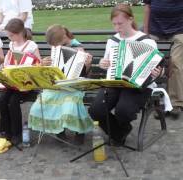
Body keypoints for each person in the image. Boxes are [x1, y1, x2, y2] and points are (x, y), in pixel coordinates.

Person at [88, 4, 162, 145]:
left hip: (137, 85)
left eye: (120, 23)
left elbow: (157, 67)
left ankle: (118, 132)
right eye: (114, 24)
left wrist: (157, 72)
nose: (117, 28)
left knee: (124, 111)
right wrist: (104, 64)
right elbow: (107, 64)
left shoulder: (146, 41)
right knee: (95, 110)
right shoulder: (113, 41)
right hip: (114, 83)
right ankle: (121, 132)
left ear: (130, 19)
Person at [28, 24, 93, 143]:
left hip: (74, 86)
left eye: (56, 45)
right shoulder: (56, 48)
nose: (55, 48)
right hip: (58, 85)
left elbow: (83, 74)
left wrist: (87, 64)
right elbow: (54, 68)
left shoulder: (78, 48)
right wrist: (44, 63)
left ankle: (80, 131)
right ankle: (59, 129)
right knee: (44, 100)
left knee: (70, 105)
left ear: (64, 37)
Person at [0, 18, 41, 144]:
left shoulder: (31, 46)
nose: (9, 38)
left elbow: (39, 65)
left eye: (11, 35)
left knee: (13, 102)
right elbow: (8, 59)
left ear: (19, 33)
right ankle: (6, 130)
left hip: (25, 84)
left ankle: (17, 133)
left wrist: (29, 68)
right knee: (1, 101)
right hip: (12, 82)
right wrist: (4, 66)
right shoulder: (12, 44)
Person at [143, 0, 183, 120]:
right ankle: (150, 99)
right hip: (155, 30)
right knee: (146, 59)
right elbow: (147, 7)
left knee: (176, 62)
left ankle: (175, 103)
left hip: (179, 30)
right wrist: (145, 33)